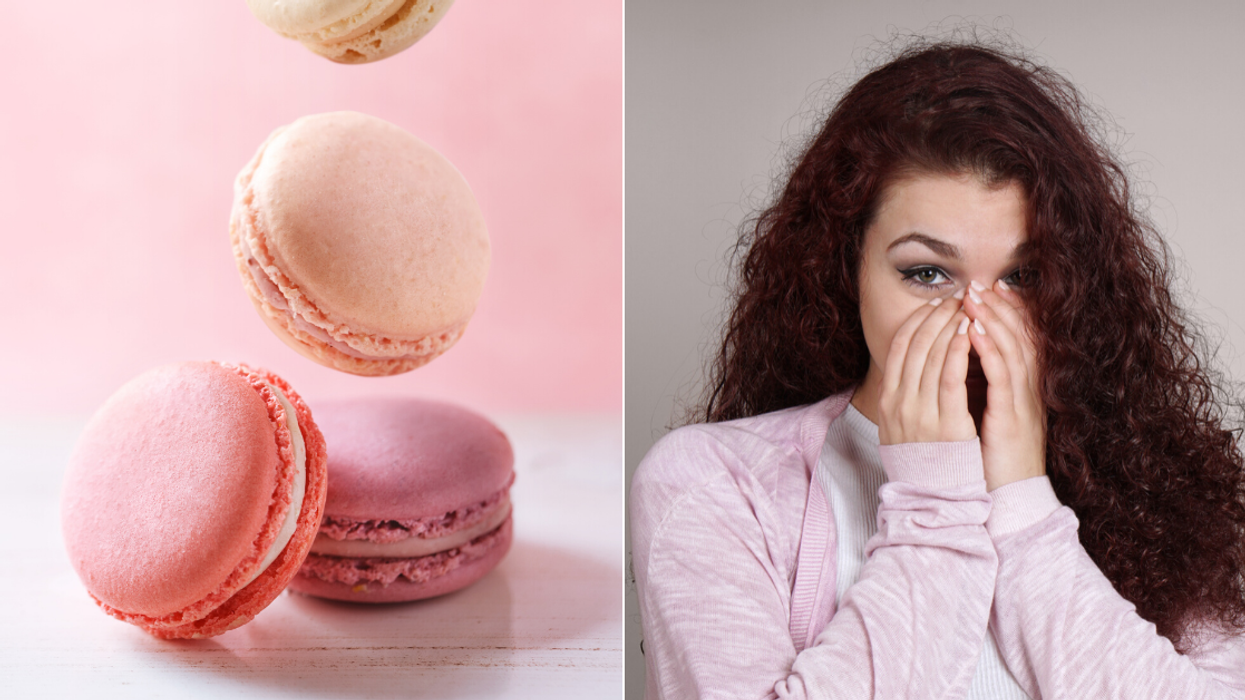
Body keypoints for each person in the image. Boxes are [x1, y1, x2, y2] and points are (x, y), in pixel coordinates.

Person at [629, 40, 1245, 699]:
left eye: (1022, 278)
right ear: (847, 271)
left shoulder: (1157, 498)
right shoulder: (717, 484)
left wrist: (1022, 503)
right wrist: (934, 501)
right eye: (926, 273)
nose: (975, 320)